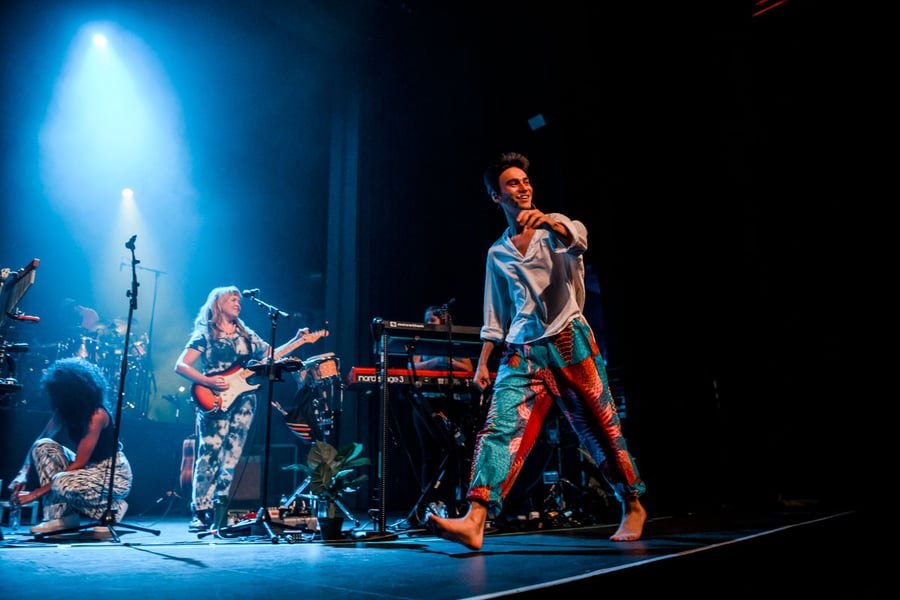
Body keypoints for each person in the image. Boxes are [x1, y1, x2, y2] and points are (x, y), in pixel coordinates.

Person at [425, 152, 647, 550]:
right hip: (522, 351)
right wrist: (483, 363)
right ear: (497, 196)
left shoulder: (557, 227)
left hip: (570, 342)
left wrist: (548, 221)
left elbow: (578, 239)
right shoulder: (498, 253)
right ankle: (476, 518)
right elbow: (496, 315)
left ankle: (631, 502)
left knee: (600, 427)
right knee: (498, 429)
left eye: (525, 181)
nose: (523, 187)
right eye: (513, 183)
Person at [174, 285, 317, 532]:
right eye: (233, 299)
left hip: (245, 400)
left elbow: (271, 355)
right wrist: (207, 381)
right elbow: (181, 365)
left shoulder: (245, 333)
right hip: (214, 396)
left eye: (240, 300)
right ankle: (200, 511)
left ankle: (219, 510)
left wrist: (298, 340)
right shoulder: (205, 333)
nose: (238, 303)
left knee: (231, 457)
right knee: (209, 454)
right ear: (218, 302)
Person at [7, 357, 132, 534]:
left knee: (61, 481)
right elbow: (40, 439)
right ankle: (62, 517)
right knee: (43, 446)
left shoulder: (97, 415)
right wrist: (22, 474)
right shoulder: (64, 412)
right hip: (88, 470)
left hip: (112, 473)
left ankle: (112, 508)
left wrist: (35, 494)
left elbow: (79, 463)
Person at [407, 305, 476, 519]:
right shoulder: (420, 340)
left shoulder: (452, 340)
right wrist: (437, 361)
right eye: (427, 318)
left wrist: (448, 361)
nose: (430, 322)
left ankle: (453, 502)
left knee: (455, 453)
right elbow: (412, 369)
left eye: (434, 319)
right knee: (429, 453)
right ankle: (429, 503)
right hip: (425, 402)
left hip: (452, 402)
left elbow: (469, 369)